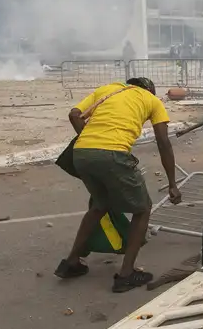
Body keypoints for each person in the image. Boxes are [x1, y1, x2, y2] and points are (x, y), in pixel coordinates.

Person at [55, 77, 182, 292]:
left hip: (82, 153)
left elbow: (74, 114)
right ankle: (126, 275)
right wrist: (172, 183)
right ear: (149, 90)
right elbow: (163, 142)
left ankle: (71, 263)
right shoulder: (152, 100)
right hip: (113, 154)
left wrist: (90, 140)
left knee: (99, 205)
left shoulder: (108, 89)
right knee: (142, 209)